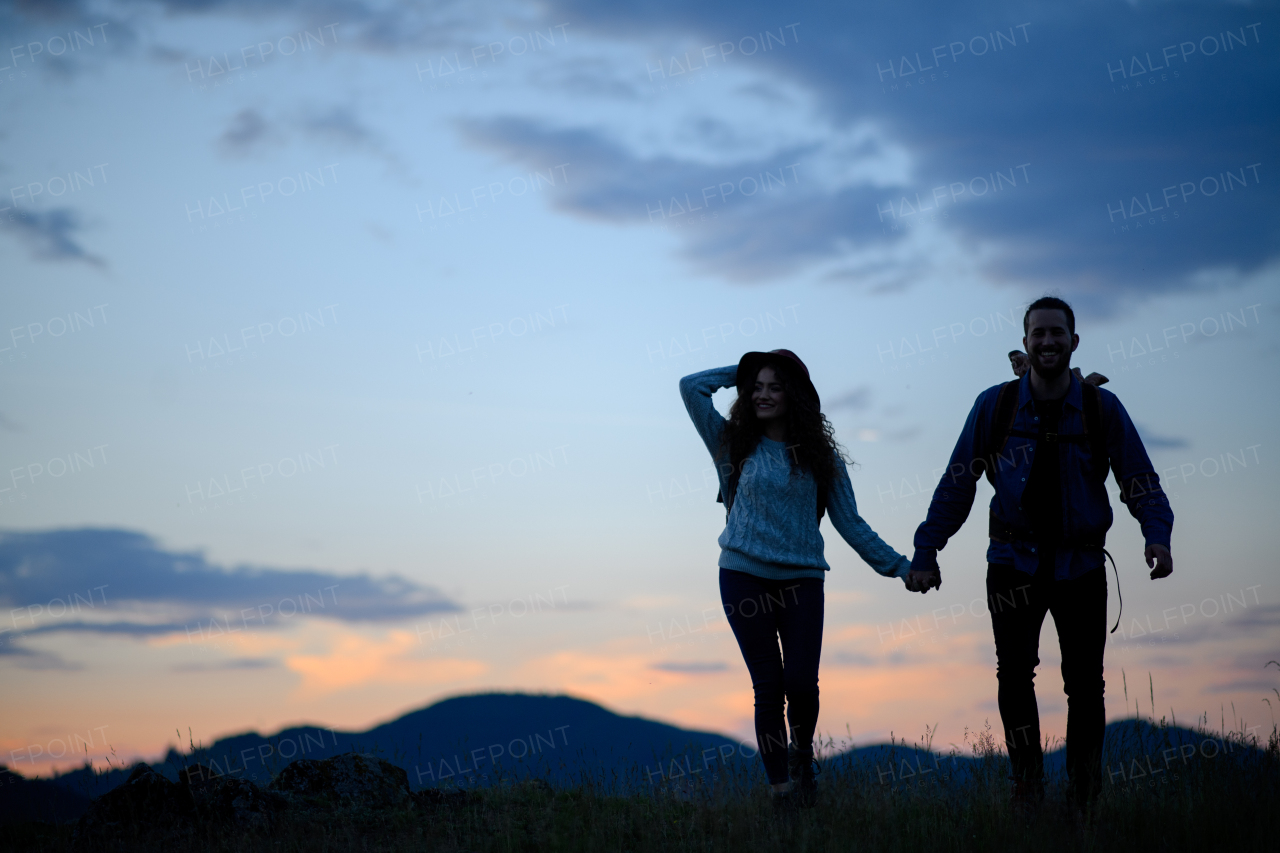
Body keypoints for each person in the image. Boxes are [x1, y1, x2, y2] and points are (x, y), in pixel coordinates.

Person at [905, 297, 1174, 813]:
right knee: (1013, 675)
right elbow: (957, 483)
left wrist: (1156, 534)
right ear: (1025, 344)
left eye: (1057, 333)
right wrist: (926, 549)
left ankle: (1084, 798)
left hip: (1082, 567)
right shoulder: (995, 405)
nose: (1048, 341)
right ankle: (1027, 787)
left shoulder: (1101, 409)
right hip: (1012, 564)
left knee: (1085, 686)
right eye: (1038, 334)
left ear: (1074, 343)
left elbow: (1138, 479)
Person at [679, 350, 911, 811]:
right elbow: (692, 387)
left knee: (802, 684)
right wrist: (743, 371)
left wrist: (900, 567)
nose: (763, 395)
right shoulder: (731, 443)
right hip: (743, 576)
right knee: (768, 685)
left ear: (795, 395)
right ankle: (782, 792)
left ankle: (803, 757)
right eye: (756, 387)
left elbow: (851, 523)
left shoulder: (820, 459)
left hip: (802, 580)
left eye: (775, 386)